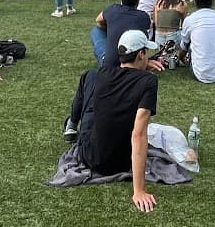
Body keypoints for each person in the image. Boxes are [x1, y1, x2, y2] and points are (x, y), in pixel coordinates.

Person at [70, 29, 165, 211]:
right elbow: (138, 135)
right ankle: (72, 122)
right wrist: (139, 190)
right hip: (122, 161)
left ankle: (71, 124)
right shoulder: (148, 82)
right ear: (141, 54)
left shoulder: (104, 74)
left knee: (88, 78)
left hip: (91, 156)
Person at [91, 0, 152, 67]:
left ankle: (105, 55)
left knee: (96, 30)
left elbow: (98, 20)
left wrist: (110, 28)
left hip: (110, 64)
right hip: (132, 61)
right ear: (138, 1)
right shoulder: (143, 16)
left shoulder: (113, 9)